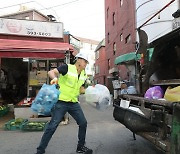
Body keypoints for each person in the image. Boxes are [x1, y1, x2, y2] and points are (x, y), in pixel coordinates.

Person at [36, 52, 93, 154]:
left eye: (87, 62)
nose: (86, 64)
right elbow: (51, 72)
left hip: (73, 103)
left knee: (83, 123)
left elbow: (81, 90)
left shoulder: (84, 74)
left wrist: (93, 92)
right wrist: (54, 78)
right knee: (52, 126)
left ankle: (80, 147)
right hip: (61, 102)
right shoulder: (67, 67)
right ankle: (40, 150)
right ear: (79, 60)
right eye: (85, 61)